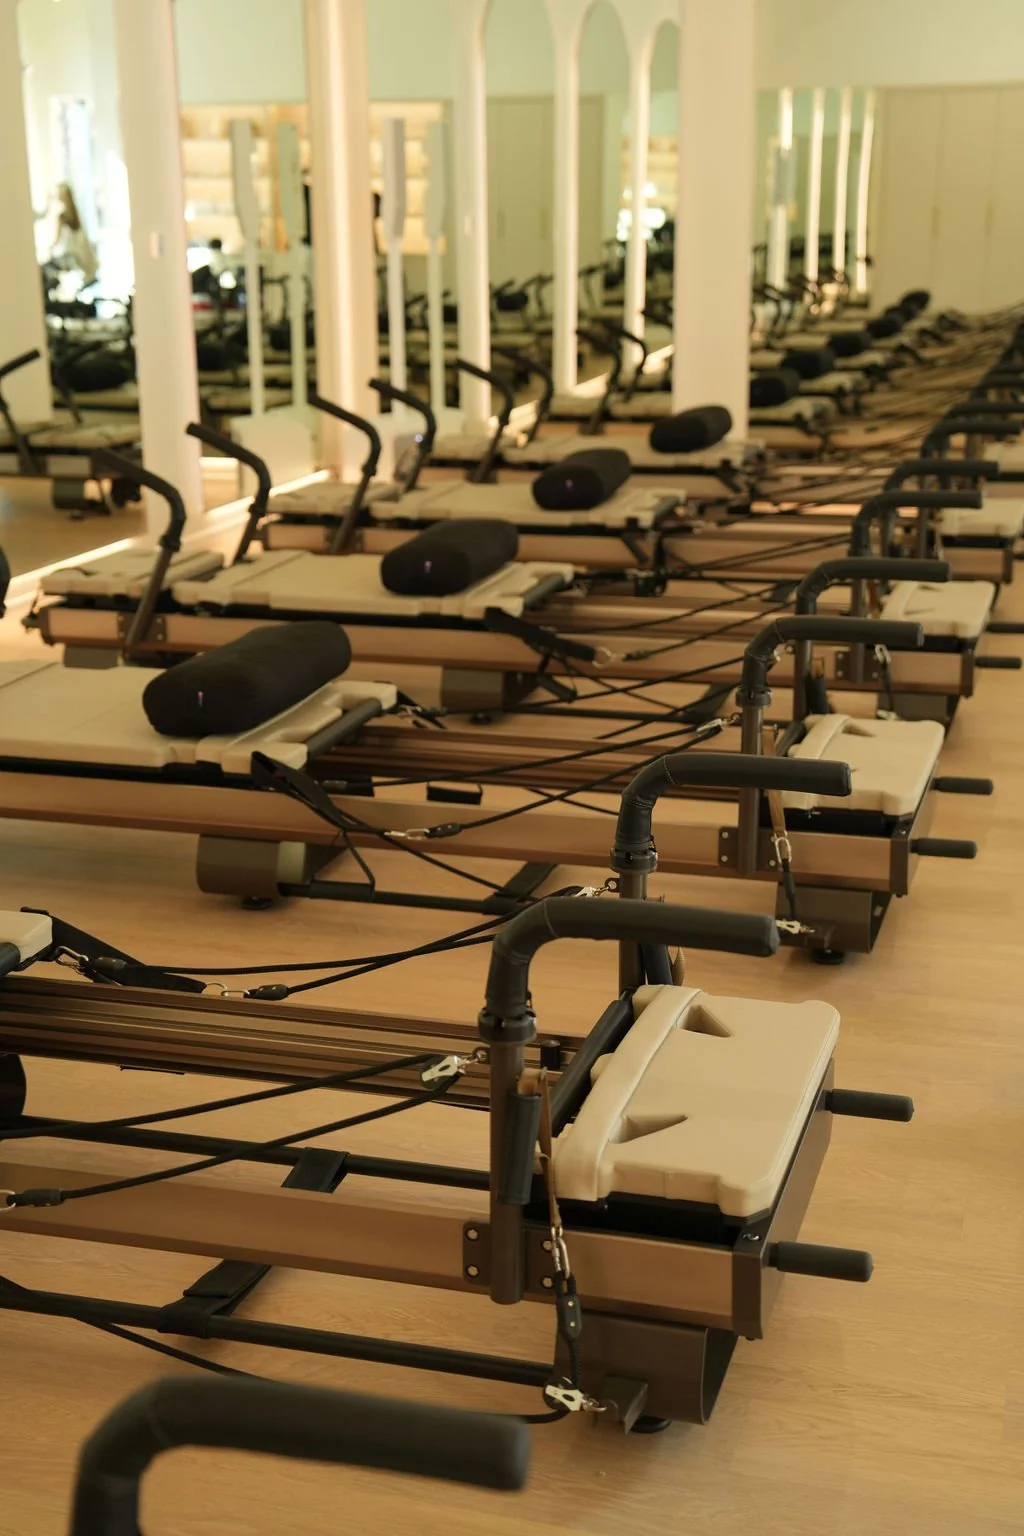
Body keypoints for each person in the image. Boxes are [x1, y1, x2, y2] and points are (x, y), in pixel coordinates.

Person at [49, 184, 99, 288]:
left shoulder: (62, 217)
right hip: (80, 255)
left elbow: (56, 240)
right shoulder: (75, 215)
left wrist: (50, 249)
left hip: (72, 255)